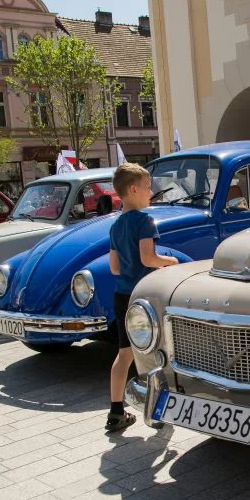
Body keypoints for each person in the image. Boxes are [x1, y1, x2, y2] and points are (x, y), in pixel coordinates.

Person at [106, 163, 178, 432]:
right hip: (146, 298)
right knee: (157, 354)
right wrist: (171, 261)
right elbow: (148, 258)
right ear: (133, 189)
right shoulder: (145, 221)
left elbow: (114, 268)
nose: (151, 193)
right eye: (148, 187)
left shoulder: (115, 226)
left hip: (122, 295)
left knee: (124, 354)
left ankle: (115, 411)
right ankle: (160, 410)